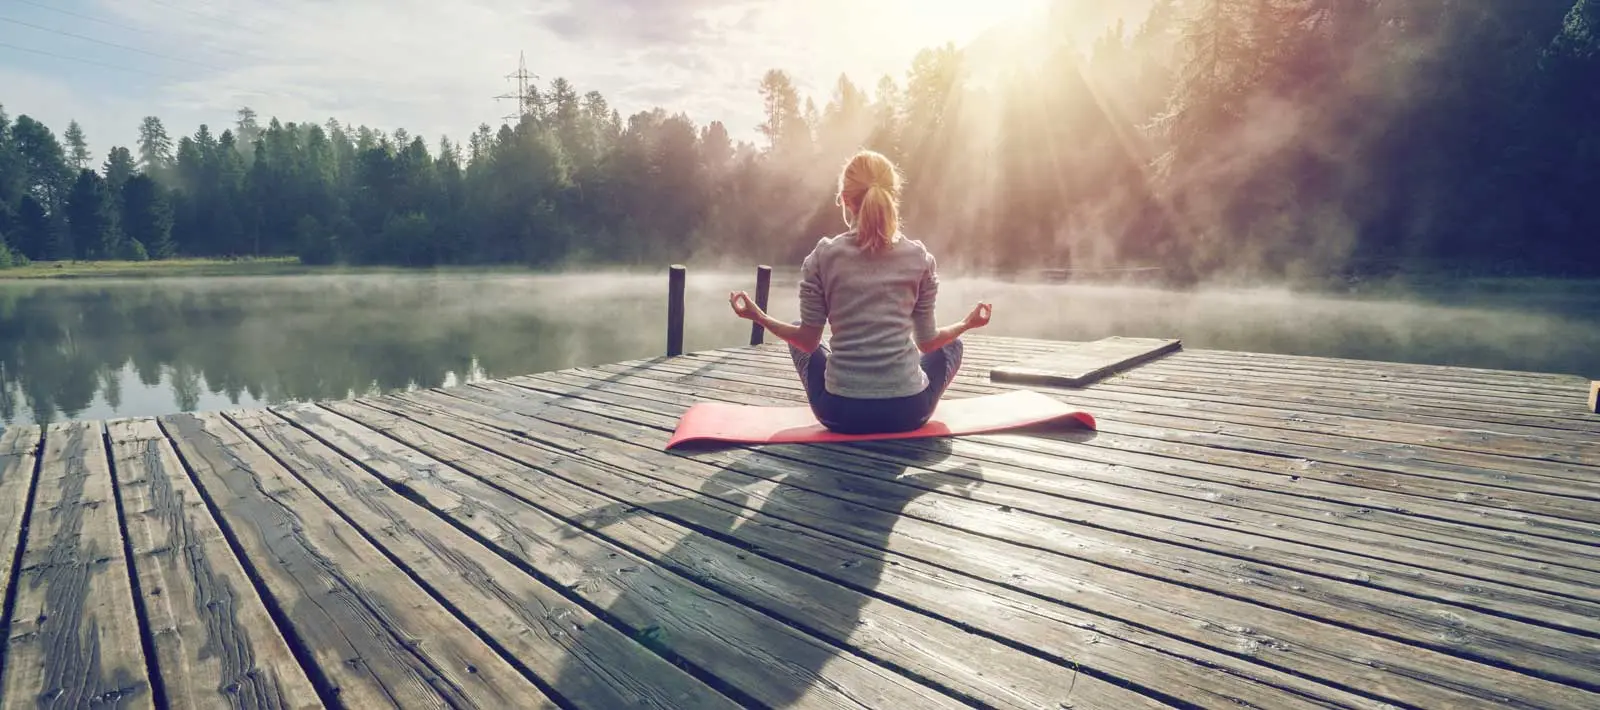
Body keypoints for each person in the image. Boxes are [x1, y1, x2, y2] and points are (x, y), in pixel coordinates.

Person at [729, 149, 992, 434]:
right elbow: (928, 343)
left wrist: (760, 317)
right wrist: (968, 324)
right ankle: (901, 379)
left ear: (844, 200)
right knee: (951, 344)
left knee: (801, 334)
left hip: (840, 413)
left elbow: (807, 341)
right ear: (893, 197)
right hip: (909, 411)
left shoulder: (822, 257)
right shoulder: (920, 258)